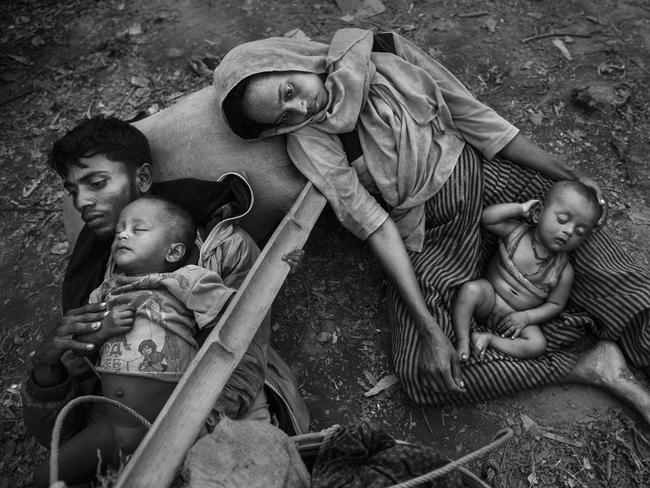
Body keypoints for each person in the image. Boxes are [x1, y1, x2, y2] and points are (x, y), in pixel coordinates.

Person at [212, 28, 650, 422]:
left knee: (603, 263)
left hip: (490, 182)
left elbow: (477, 120)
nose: (299, 106)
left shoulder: (383, 50)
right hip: (431, 233)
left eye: (289, 89)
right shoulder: (311, 142)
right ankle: (582, 365)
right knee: (429, 371)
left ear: (291, 60)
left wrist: (567, 177)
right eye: (284, 115)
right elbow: (374, 224)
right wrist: (426, 324)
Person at [22, 117, 309, 487]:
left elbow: (243, 353)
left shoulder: (224, 248)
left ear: (141, 179)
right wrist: (47, 369)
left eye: (96, 183)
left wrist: (176, 438)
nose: (81, 202)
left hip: (214, 412)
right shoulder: (95, 274)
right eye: (72, 190)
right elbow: (61, 431)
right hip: (119, 430)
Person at [453, 181, 601, 362]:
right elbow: (487, 218)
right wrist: (520, 209)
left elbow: (555, 305)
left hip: (516, 319)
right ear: (538, 213)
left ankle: (489, 340)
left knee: (537, 345)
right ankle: (462, 340)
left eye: (580, 232)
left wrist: (526, 317)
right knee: (471, 290)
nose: (569, 231)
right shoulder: (516, 232)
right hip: (489, 298)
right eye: (562, 220)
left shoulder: (563, 270)